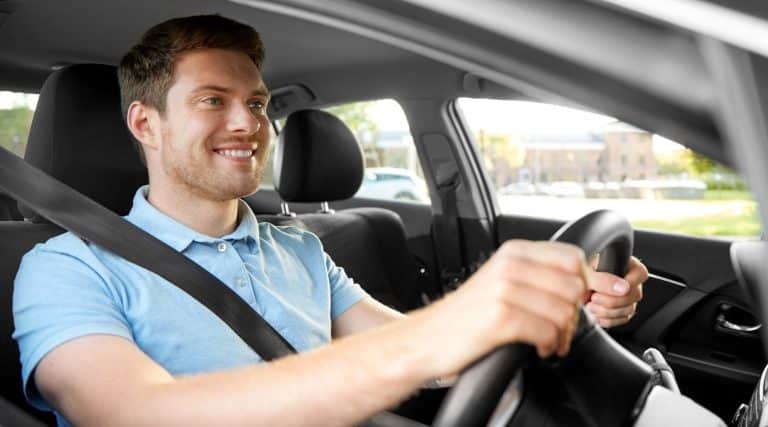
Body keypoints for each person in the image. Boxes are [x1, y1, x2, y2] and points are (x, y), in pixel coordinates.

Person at [13, 15, 647, 426]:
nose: (250, 124)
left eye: (257, 103)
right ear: (145, 124)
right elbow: (134, 415)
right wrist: (437, 333)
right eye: (214, 101)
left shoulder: (299, 249)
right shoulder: (65, 267)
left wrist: (566, 311)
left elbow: (436, 359)